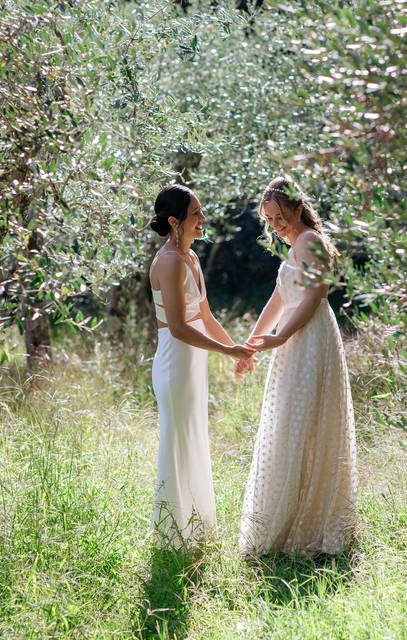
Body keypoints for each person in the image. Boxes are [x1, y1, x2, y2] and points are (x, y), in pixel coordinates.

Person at [238, 176, 358, 556]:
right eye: (270, 220)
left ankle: (310, 523)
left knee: (304, 424)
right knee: (292, 423)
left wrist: (279, 337)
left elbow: (312, 298)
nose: (276, 225)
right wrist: (252, 345)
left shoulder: (310, 242)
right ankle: (288, 514)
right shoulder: (295, 245)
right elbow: (280, 297)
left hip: (309, 338)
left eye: (280, 216)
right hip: (292, 340)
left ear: (296, 207)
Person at [148, 184, 255, 548]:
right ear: (175, 221)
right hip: (174, 364)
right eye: (196, 214)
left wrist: (236, 350)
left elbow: (205, 317)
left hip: (193, 364)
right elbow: (179, 328)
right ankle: (171, 535)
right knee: (176, 442)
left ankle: (196, 529)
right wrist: (228, 352)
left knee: (195, 438)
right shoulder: (168, 262)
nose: (203, 220)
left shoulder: (191, 258)